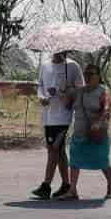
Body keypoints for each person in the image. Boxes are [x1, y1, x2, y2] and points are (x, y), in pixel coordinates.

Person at [33, 50, 82, 199]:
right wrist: (42, 97)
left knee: (55, 149)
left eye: (62, 49)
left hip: (64, 116)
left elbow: (80, 89)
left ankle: (46, 185)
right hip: (48, 115)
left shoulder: (73, 66)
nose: (58, 51)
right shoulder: (45, 65)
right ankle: (67, 185)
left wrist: (65, 90)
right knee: (57, 150)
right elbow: (40, 85)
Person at [67, 62, 111, 200]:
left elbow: (107, 109)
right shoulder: (79, 91)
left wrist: (98, 122)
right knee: (74, 161)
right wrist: (66, 92)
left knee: (102, 161)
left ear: (98, 76)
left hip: (96, 133)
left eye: (91, 74)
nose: (87, 76)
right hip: (79, 132)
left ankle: (110, 185)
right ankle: (72, 190)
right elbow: (67, 106)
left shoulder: (103, 91)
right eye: (85, 74)